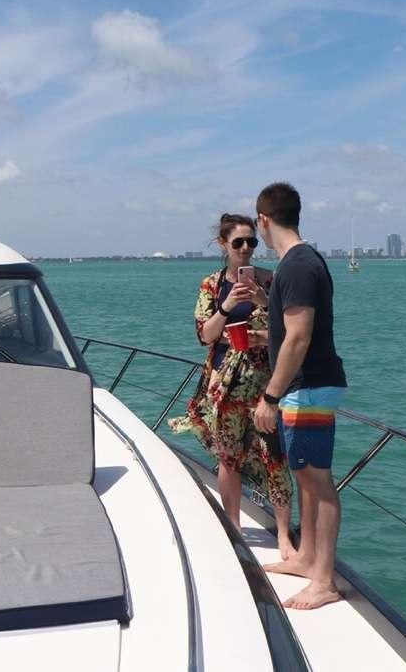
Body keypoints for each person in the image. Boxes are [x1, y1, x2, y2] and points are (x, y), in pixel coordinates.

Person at [170, 214, 295, 558]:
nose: (245, 248)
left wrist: (262, 302)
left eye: (251, 242)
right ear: (224, 245)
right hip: (224, 389)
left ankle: (284, 534)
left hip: (265, 389)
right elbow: (204, 336)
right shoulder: (211, 286)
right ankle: (234, 527)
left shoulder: (271, 282)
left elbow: (292, 335)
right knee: (229, 460)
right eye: (238, 242)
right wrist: (226, 307)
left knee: (276, 460)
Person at [252, 182, 348, 611]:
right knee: (306, 478)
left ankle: (324, 580)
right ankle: (307, 557)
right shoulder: (303, 262)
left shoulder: (295, 265)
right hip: (305, 386)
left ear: (264, 220)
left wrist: (269, 398)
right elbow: (288, 334)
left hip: (305, 388)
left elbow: (298, 337)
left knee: (317, 481)